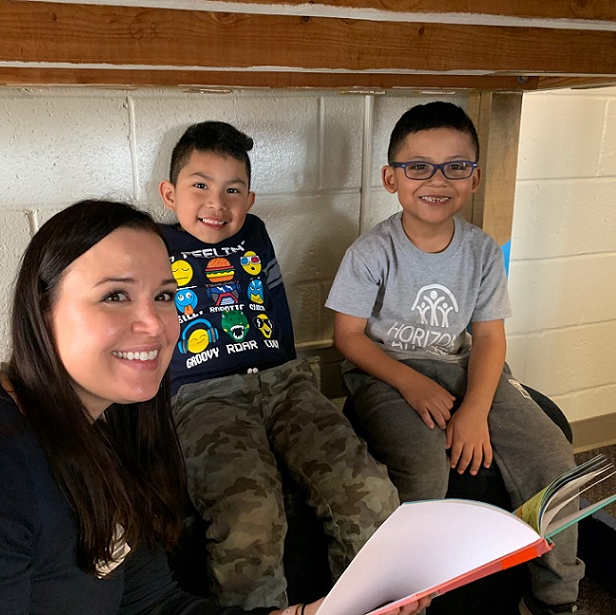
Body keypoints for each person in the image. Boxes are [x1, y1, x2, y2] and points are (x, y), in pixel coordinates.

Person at [325, 102, 585, 615]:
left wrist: (473, 410)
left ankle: (557, 595)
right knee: (423, 469)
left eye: (455, 166)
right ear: (390, 178)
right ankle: (410, 600)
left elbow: (489, 339)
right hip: (385, 375)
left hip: (461, 368)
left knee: (554, 457)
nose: (436, 179)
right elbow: (349, 338)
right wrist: (411, 383)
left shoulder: (483, 251)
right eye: (418, 166)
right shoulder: (370, 252)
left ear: (475, 178)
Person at [157, 121, 400, 610]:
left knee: (370, 490)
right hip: (205, 396)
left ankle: (371, 604)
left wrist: (291, 372)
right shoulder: (151, 245)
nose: (216, 203)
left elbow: (275, 308)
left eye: (233, 190)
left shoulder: (255, 232)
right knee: (251, 512)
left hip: (284, 382)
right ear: (169, 193)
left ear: (249, 199)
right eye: (199, 185)